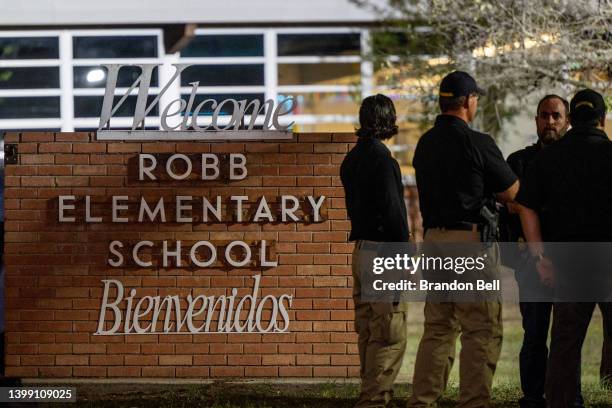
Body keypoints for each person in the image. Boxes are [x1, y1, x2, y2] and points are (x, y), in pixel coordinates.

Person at [408, 71, 519, 408]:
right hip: (469, 242)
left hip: (434, 242)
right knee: (481, 329)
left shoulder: (424, 143)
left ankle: (422, 401)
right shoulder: (478, 142)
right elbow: (512, 192)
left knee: (438, 328)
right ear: (469, 101)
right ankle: (473, 402)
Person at [516, 89, 612, 407]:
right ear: (602, 119)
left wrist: (540, 257)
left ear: (571, 119)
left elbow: (526, 206)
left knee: (565, 344)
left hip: (569, 263)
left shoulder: (549, 158)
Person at [503, 95, 585, 407]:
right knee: (534, 334)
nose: (550, 122)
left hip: (569, 260)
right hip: (531, 261)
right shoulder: (519, 161)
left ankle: (568, 398)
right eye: (544, 116)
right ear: (536, 119)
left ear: (567, 121)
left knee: (568, 337)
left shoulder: (578, 160)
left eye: (556, 116)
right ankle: (533, 398)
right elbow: (510, 204)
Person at [340, 94, 410, 408]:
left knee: (368, 329)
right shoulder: (384, 161)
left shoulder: (351, 160)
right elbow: (395, 216)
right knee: (389, 333)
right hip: (385, 254)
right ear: (388, 120)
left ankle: (369, 394)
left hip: (362, 251)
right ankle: (374, 399)